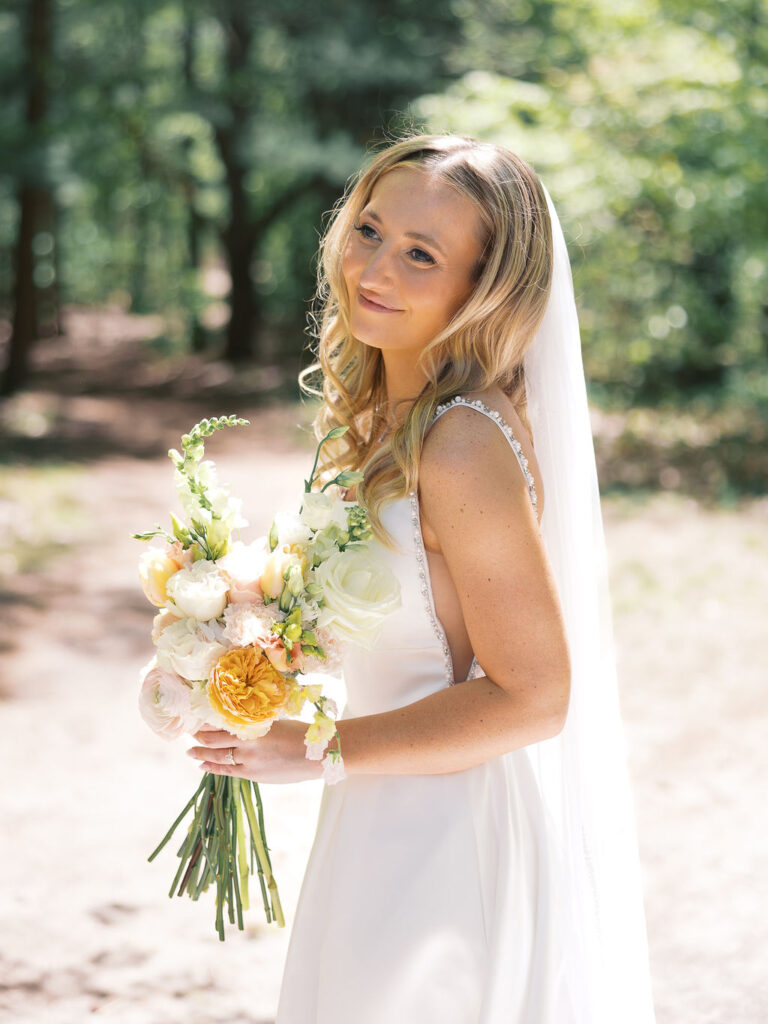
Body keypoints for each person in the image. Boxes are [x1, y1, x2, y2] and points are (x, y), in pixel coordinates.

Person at [187, 133, 657, 1023]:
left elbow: (536, 697)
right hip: (376, 820)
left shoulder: (461, 440)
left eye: (420, 254)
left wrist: (317, 749)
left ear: (481, 290)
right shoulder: (386, 421)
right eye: (369, 229)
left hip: (446, 844)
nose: (376, 267)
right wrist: (236, 641)